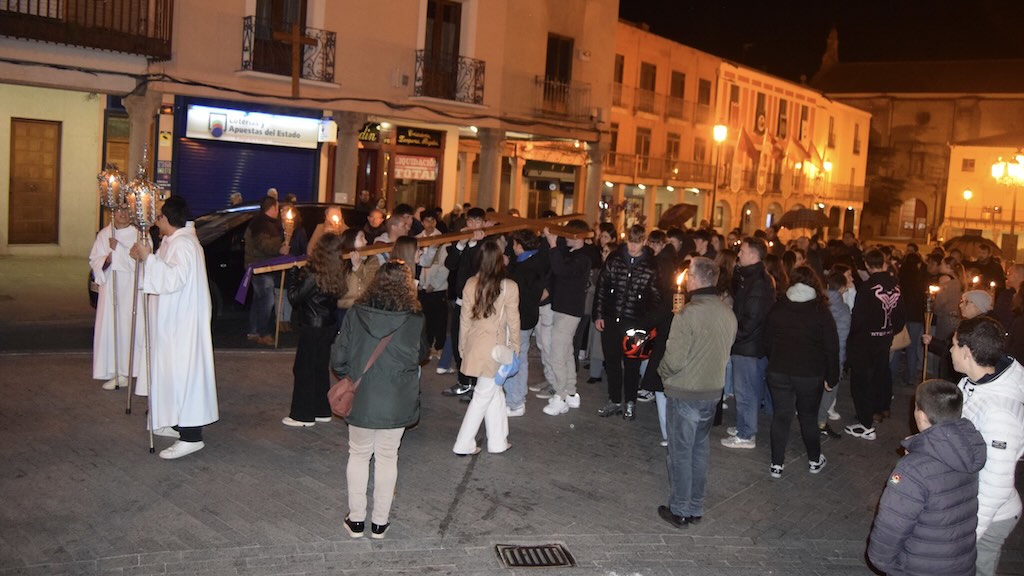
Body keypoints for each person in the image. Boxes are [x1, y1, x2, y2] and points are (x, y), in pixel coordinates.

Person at [332, 261, 428, 539]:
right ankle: (379, 523)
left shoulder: (357, 313)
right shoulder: (415, 318)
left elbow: (339, 357)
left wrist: (348, 374)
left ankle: (357, 520)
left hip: (362, 395)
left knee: (359, 454)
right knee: (388, 457)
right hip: (397, 397)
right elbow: (421, 353)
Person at [867, 379, 987, 576]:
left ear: (921, 415)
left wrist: (885, 563)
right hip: (961, 564)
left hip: (919, 567)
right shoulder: (968, 450)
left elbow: (891, 527)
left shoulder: (912, 471)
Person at [129, 195, 218, 460]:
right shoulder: (173, 242)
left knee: (184, 375)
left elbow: (173, 279)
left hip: (184, 325)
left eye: (159, 217)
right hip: (172, 322)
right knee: (172, 373)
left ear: (168, 219)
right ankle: (175, 421)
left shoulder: (185, 245)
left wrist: (150, 260)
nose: (156, 222)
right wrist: (146, 259)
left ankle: (192, 436)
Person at [656, 256, 737, 528]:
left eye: (689, 274)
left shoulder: (688, 314)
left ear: (697, 278)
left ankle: (679, 508)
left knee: (680, 452)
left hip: (686, 391)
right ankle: (695, 505)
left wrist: (663, 373)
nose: (686, 278)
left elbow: (674, 358)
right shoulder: (727, 311)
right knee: (699, 450)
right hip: (712, 391)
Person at [950, 317, 1024, 575]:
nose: (950, 350)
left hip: (989, 516)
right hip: (968, 500)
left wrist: (968, 536)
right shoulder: (975, 379)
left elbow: (996, 486)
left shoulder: (1000, 415)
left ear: (967, 352)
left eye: (953, 345)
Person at [763, 266, 839, 478]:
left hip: (779, 370)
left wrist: (775, 357)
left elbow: (767, 340)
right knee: (808, 417)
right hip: (809, 373)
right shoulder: (820, 312)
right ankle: (814, 460)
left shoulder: (778, 307)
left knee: (781, 417)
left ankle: (776, 464)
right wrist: (831, 376)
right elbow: (831, 347)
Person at [452, 241, 520, 455]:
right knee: (483, 394)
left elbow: (464, 320)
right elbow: (513, 321)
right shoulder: (509, 286)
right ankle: (464, 442)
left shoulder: (470, 284)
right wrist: (516, 349)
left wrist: (462, 347)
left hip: (475, 343)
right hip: (495, 347)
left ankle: (498, 441)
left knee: (494, 392)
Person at [592, 224, 661, 420]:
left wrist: (645, 322)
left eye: (637, 242)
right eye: (631, 241)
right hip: (612, 320)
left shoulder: (651, 265)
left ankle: (630, 402)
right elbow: (602, 288)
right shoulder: (615, 259)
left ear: (644, 242)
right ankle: (614, 400)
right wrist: (599, 315)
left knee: (632, 365)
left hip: (636, 323)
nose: (633, 246)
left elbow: (656, 297)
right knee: (612, 362)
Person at [282, 232, 346, 427]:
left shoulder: (314, 274)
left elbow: (294, 298)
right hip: (327, 326)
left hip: (312, 326)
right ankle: (321, 410)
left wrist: (293, 275)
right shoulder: (336, 272)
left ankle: (302, 415)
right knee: (319, 368)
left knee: (303, 369)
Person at [845, 249, 906, 440]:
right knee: (881, 372)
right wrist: (890, 330)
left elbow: (859, 317)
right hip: (885, 336)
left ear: (868, 265)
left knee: (861, 380)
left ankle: (866, 420)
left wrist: (853, 337)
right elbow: (901, 315)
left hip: (865, 340)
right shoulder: (895, 285)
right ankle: (881, 407)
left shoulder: (868, 286)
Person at [722, 237, 775, 449]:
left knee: (746, 391)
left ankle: (746, 434)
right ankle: (745, 425)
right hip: (749, 344)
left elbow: (751, 318)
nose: (739, 255)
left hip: (748, 346)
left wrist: (734, 336)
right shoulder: (752, 278)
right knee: (747, 390)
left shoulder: (759, 282)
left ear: (753, 255)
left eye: (742, 251)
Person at [540, 221, 593, 416]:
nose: (565, 238)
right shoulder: (572, 254)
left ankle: (560, 396)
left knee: (557, 354)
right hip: (564, 309)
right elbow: (555, 267)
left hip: (569, 311)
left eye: (569, 234)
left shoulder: (583, 258)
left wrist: (553, 244)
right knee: (567, 352)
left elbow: (560, 270)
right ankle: (571, 393)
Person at [90, 205, 143, 391]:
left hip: (130, 289)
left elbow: (142, 261)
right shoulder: (106, 233)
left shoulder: (139, 234)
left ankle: (126, 371)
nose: (122, 214)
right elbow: (95, 259)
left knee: (127, 326)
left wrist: (119, 249)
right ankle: (112, 369)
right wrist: (109, 258)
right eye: (119, 210)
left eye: (126, 211)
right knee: (110, 327)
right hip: (110, 289)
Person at [443, 207, 489, 399]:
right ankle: (463, 381)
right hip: (460, 300)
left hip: (478, 301)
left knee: (474, 343)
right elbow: (450, 265)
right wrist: (460, 246)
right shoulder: (462, 242)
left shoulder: (487, 244)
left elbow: (477, 266)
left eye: (477, 222)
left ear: (483, 224)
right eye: (470, 222)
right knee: (457, 340)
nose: (473, 226)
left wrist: (472, 246)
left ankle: (475, 384)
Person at [505, 230, 549, 416]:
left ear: (520, 246)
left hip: (520, 318)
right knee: (517, 356)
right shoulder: (534, 262)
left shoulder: (526, 268)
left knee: (515, 357)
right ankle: (515, 398)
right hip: (527, 316)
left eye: (514, 244)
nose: (513, 247)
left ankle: (515, 401)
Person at [244, 195, 285, 346]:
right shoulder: (261, 224)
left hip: (262, 266)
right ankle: (263, 332)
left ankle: (253, 331)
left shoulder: (263, 222)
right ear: (273, 208)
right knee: (267, 301)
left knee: (258, 299)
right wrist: (280, 247)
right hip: (261, 267)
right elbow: (264, 245)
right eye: (277, 207)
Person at [819, 269, 851, 436]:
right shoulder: (844, 310)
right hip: (835, 356)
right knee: (829, 392)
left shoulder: (817, 303)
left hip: (815, 354)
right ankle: (821, 421)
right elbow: (843, 337)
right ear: (842, 289)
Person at [417, 212, 448, 360]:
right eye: (426, 221)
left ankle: (439, 347)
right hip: (421, 287)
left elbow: (445, 266)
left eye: (432, 220)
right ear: (422, 222)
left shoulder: (443, 241)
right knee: (424, 318)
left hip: (438, 287)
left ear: (435, 222)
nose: (429, 224)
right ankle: (427, 346)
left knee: (439, 319)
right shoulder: (418, 239)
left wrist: (434, 284)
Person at [337, 228, 381, 329]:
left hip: (366, 308)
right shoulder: (341, 261)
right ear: (350, 241)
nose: (365, 241)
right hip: (345, 308)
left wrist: (358, 266)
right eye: (361, 238)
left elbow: (372, 282)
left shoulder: (372, 259)